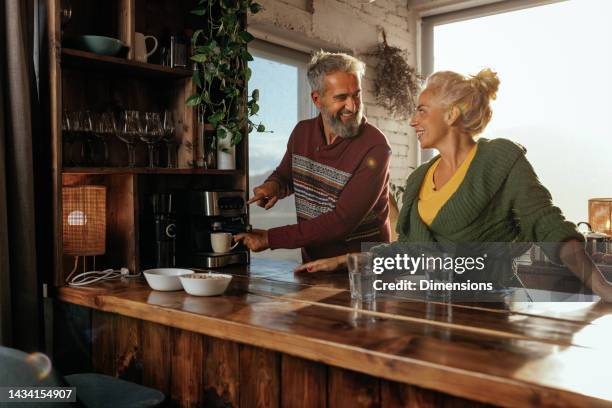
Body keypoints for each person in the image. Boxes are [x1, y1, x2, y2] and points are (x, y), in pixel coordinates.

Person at [295, 68, 612, 302]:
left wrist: (602, 288)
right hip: (435, 311)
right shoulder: (421, 177)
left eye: (421, 110)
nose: (412, 121)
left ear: (451, 114)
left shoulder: (499, 159)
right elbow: (410, 250)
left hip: (493, 311)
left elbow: (550, 227)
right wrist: (345, 261)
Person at [234, 51, 392, 262]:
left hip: (362, 272)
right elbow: (286, 175)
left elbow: (341, 222)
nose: (352, 106)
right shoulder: (302, 133)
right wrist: (273, 187)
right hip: (313, 266)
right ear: (317, 99)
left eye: (356, 94)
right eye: (341, 97)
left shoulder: (375, 147)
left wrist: (270, 238)